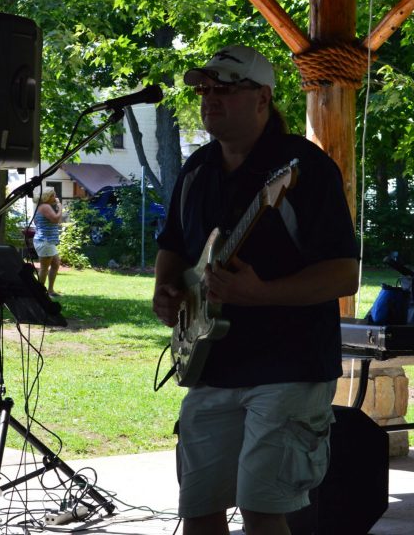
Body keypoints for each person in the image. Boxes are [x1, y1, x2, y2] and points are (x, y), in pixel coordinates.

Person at [152, 44, 359, 535]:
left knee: (263, 510)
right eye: (205, 90)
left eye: (224, 89)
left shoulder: (301, 169)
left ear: (263, 98)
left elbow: (343, 275)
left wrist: (261, 293)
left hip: (288, 367)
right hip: (212, 368)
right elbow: (175, 246)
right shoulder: (198, 169)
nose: (209, 99)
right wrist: (165, 289)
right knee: (198, 510)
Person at [32, 186, 63, 296]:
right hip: (45, 241)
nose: (55, 197)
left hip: (46, 241)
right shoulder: (45, 207)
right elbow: (55, 220)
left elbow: (37, 222)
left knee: (55, 264)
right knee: (44, 268)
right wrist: (60, 207)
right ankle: (39, 293)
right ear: (47, 197)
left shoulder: (42, 207)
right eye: (53, 195)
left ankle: (50, 290)